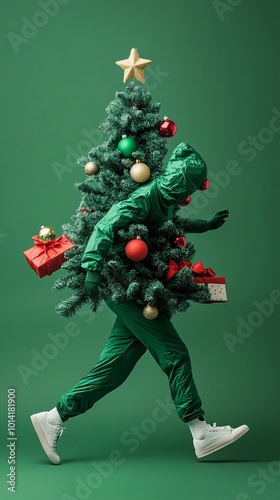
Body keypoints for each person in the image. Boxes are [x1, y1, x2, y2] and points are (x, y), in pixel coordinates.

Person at [30, 142, 249, 465]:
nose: (188, 192)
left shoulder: (167, 198)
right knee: (173, 353)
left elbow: (174, 223)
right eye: (188, 185)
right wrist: (92, 268)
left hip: (136, 278)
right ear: (177, 178)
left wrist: (207, 224)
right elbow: (106, 225)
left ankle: (53, 419)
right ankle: (201, 433)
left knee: (114, 367)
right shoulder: (144, 197)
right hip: (120, 282)